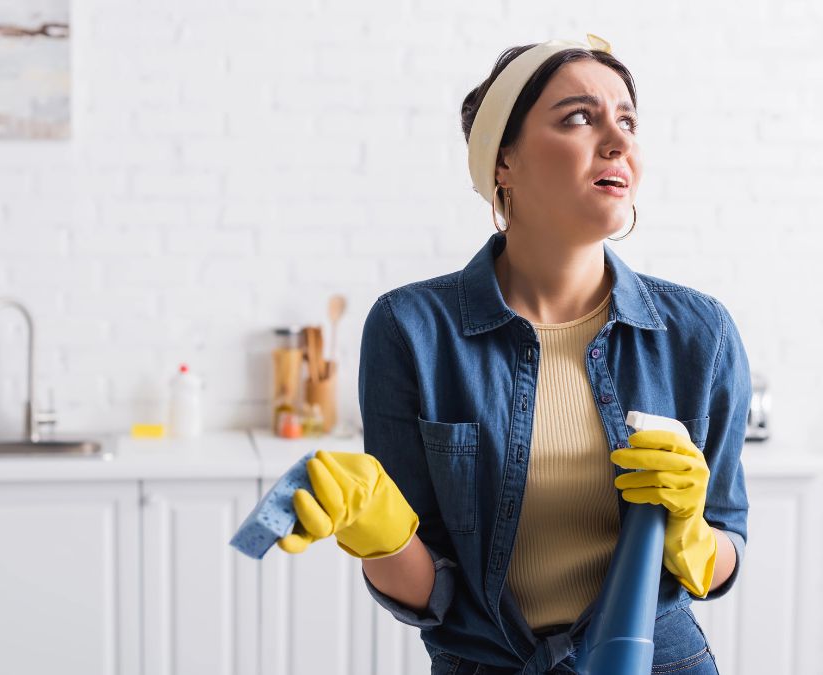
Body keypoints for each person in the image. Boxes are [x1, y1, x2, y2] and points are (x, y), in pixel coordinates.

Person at [277, 35, 751, 675]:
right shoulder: (413, 330)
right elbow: (430, 592)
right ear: (503, 162)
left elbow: (725, 559)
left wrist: (691, 534)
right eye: (579, 117)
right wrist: (376, 529)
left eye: (628, 120)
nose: (617, 140)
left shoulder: (698, 334)